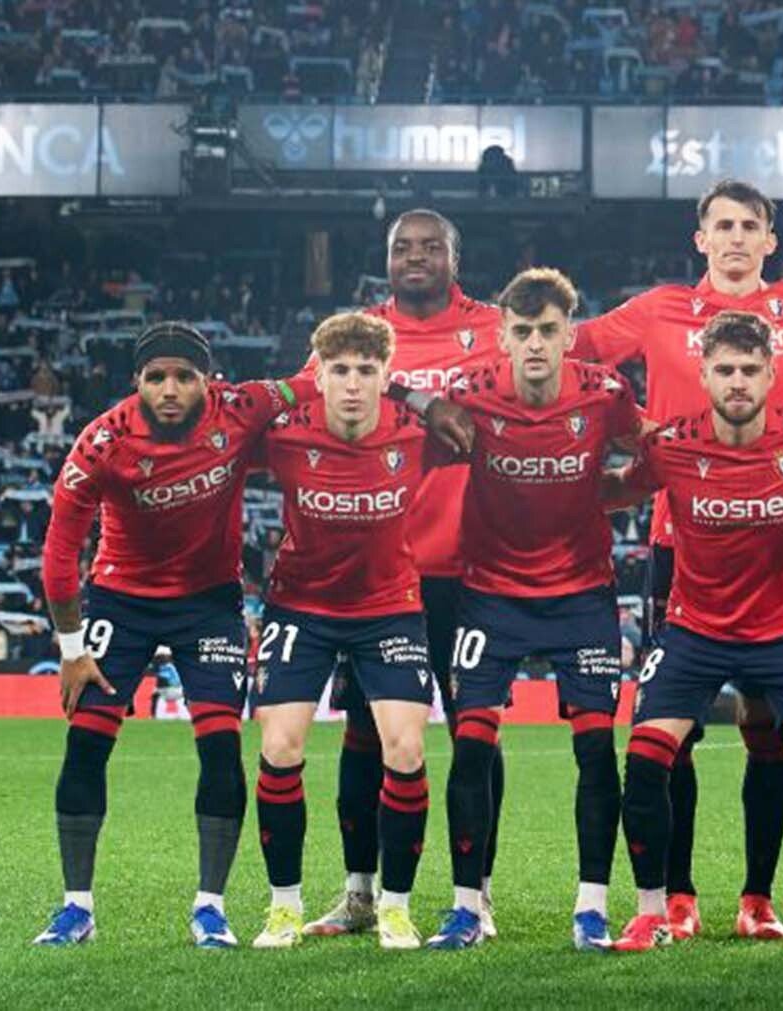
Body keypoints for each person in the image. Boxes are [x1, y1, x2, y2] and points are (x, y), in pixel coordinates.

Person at [574, 179, 783, 939]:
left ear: (770, 240)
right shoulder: (659, 309)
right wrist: (631, 423)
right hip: (677, 543)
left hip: (777, 537)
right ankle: (676, 897)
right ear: (701, 238)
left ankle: (758, 898)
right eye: (724, 225)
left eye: (751, 225)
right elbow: (573, 355)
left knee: (764, 729)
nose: (737, 237)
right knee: (672, 736)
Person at [35, 322, 313, 948]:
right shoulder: (102, 442)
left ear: (206, 381)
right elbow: (59, 554)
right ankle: (76, 908)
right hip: (121, 600)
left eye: (184, 376)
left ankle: (211, 908)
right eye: (155, 377)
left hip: (209, 604)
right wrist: (73, 651)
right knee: (85, 744)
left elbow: (310, 382)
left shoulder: (242, 407)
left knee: (220, 748)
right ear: (136, 381)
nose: (169, 389)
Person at [424, 268, 640, 951]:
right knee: (470, 747)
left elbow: (652, 456)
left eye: (549, 330)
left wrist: (610, 493)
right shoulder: (468, 393)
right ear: (503, 337)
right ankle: (468, 906)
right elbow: (403, 434)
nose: (537, 343)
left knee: (596, 751)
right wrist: (418, 402)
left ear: (570, 334)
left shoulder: (607, 393)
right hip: (490, 595)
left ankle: (592, 908)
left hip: (583, 596)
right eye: (523, 331)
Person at [308, 209, 506, 940]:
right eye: (402, 247)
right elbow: (309, 397)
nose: (415, 256)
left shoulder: (495, 329)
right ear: (386, 259)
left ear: (456, 258)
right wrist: (416, 397)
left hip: (475, 568)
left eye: (430, 247)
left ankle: (475, 896)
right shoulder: (358, 336)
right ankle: (360, 894)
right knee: (365, 733)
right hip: (381, 572)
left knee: (475, 736)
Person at [247, 312, 459, 950]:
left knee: (406, 751)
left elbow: (476, 432)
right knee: (280, 748)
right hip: (300, 607)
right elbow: (222, 430)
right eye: (339, 370)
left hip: (389, 607)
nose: (352, 383)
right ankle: (283, 908)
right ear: (319, 374)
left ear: (385, 376)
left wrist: (413, 396)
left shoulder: (415, 434)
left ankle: (394, 907)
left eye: (367, 371)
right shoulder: (285, 435)